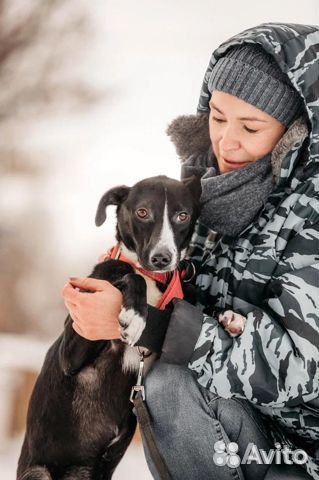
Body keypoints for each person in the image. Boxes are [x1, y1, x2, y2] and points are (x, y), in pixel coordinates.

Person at [62, 23, 319, 480]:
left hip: (303, 452)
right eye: (217, 117)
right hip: (239, 424)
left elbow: (303, 370)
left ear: (293, 134)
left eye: (251, 125)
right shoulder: (198, 198)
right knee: (168, 378)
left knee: (171, 381)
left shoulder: (311, 212)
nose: (226, 141)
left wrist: (147, 326)